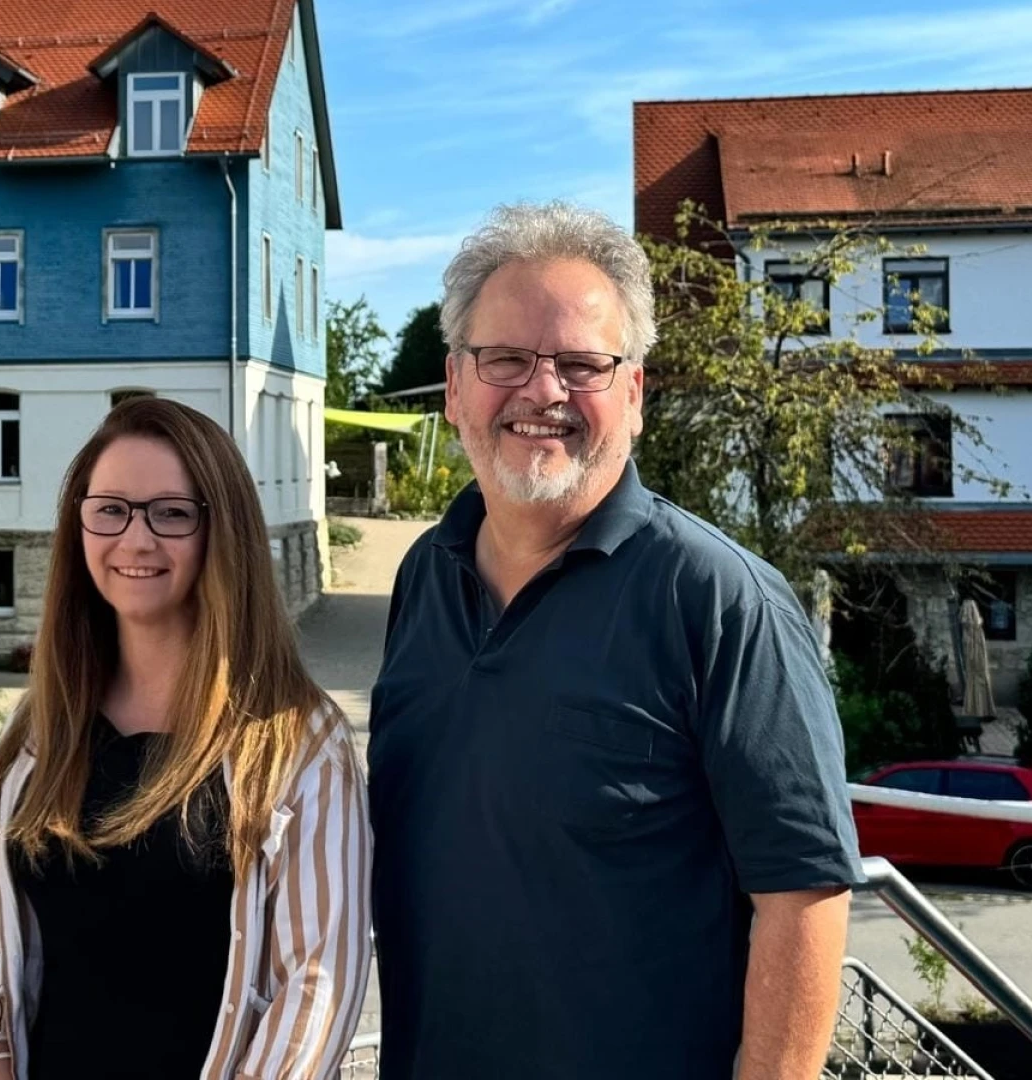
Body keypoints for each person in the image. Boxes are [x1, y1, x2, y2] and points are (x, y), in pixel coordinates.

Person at [368, 202, 861, 1079]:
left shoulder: (719, 602)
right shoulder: (421, 578)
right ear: (454, 386)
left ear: (633, 395)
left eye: (582, 365)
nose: (542, 391)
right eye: (506, 359)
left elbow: (803, 896)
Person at [0, 398, 372, 1080]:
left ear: (220, 531)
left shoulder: (294, 741)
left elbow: (315, 987)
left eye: (171, 512)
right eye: (110, 508)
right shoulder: (43, 729)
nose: (135, 540)